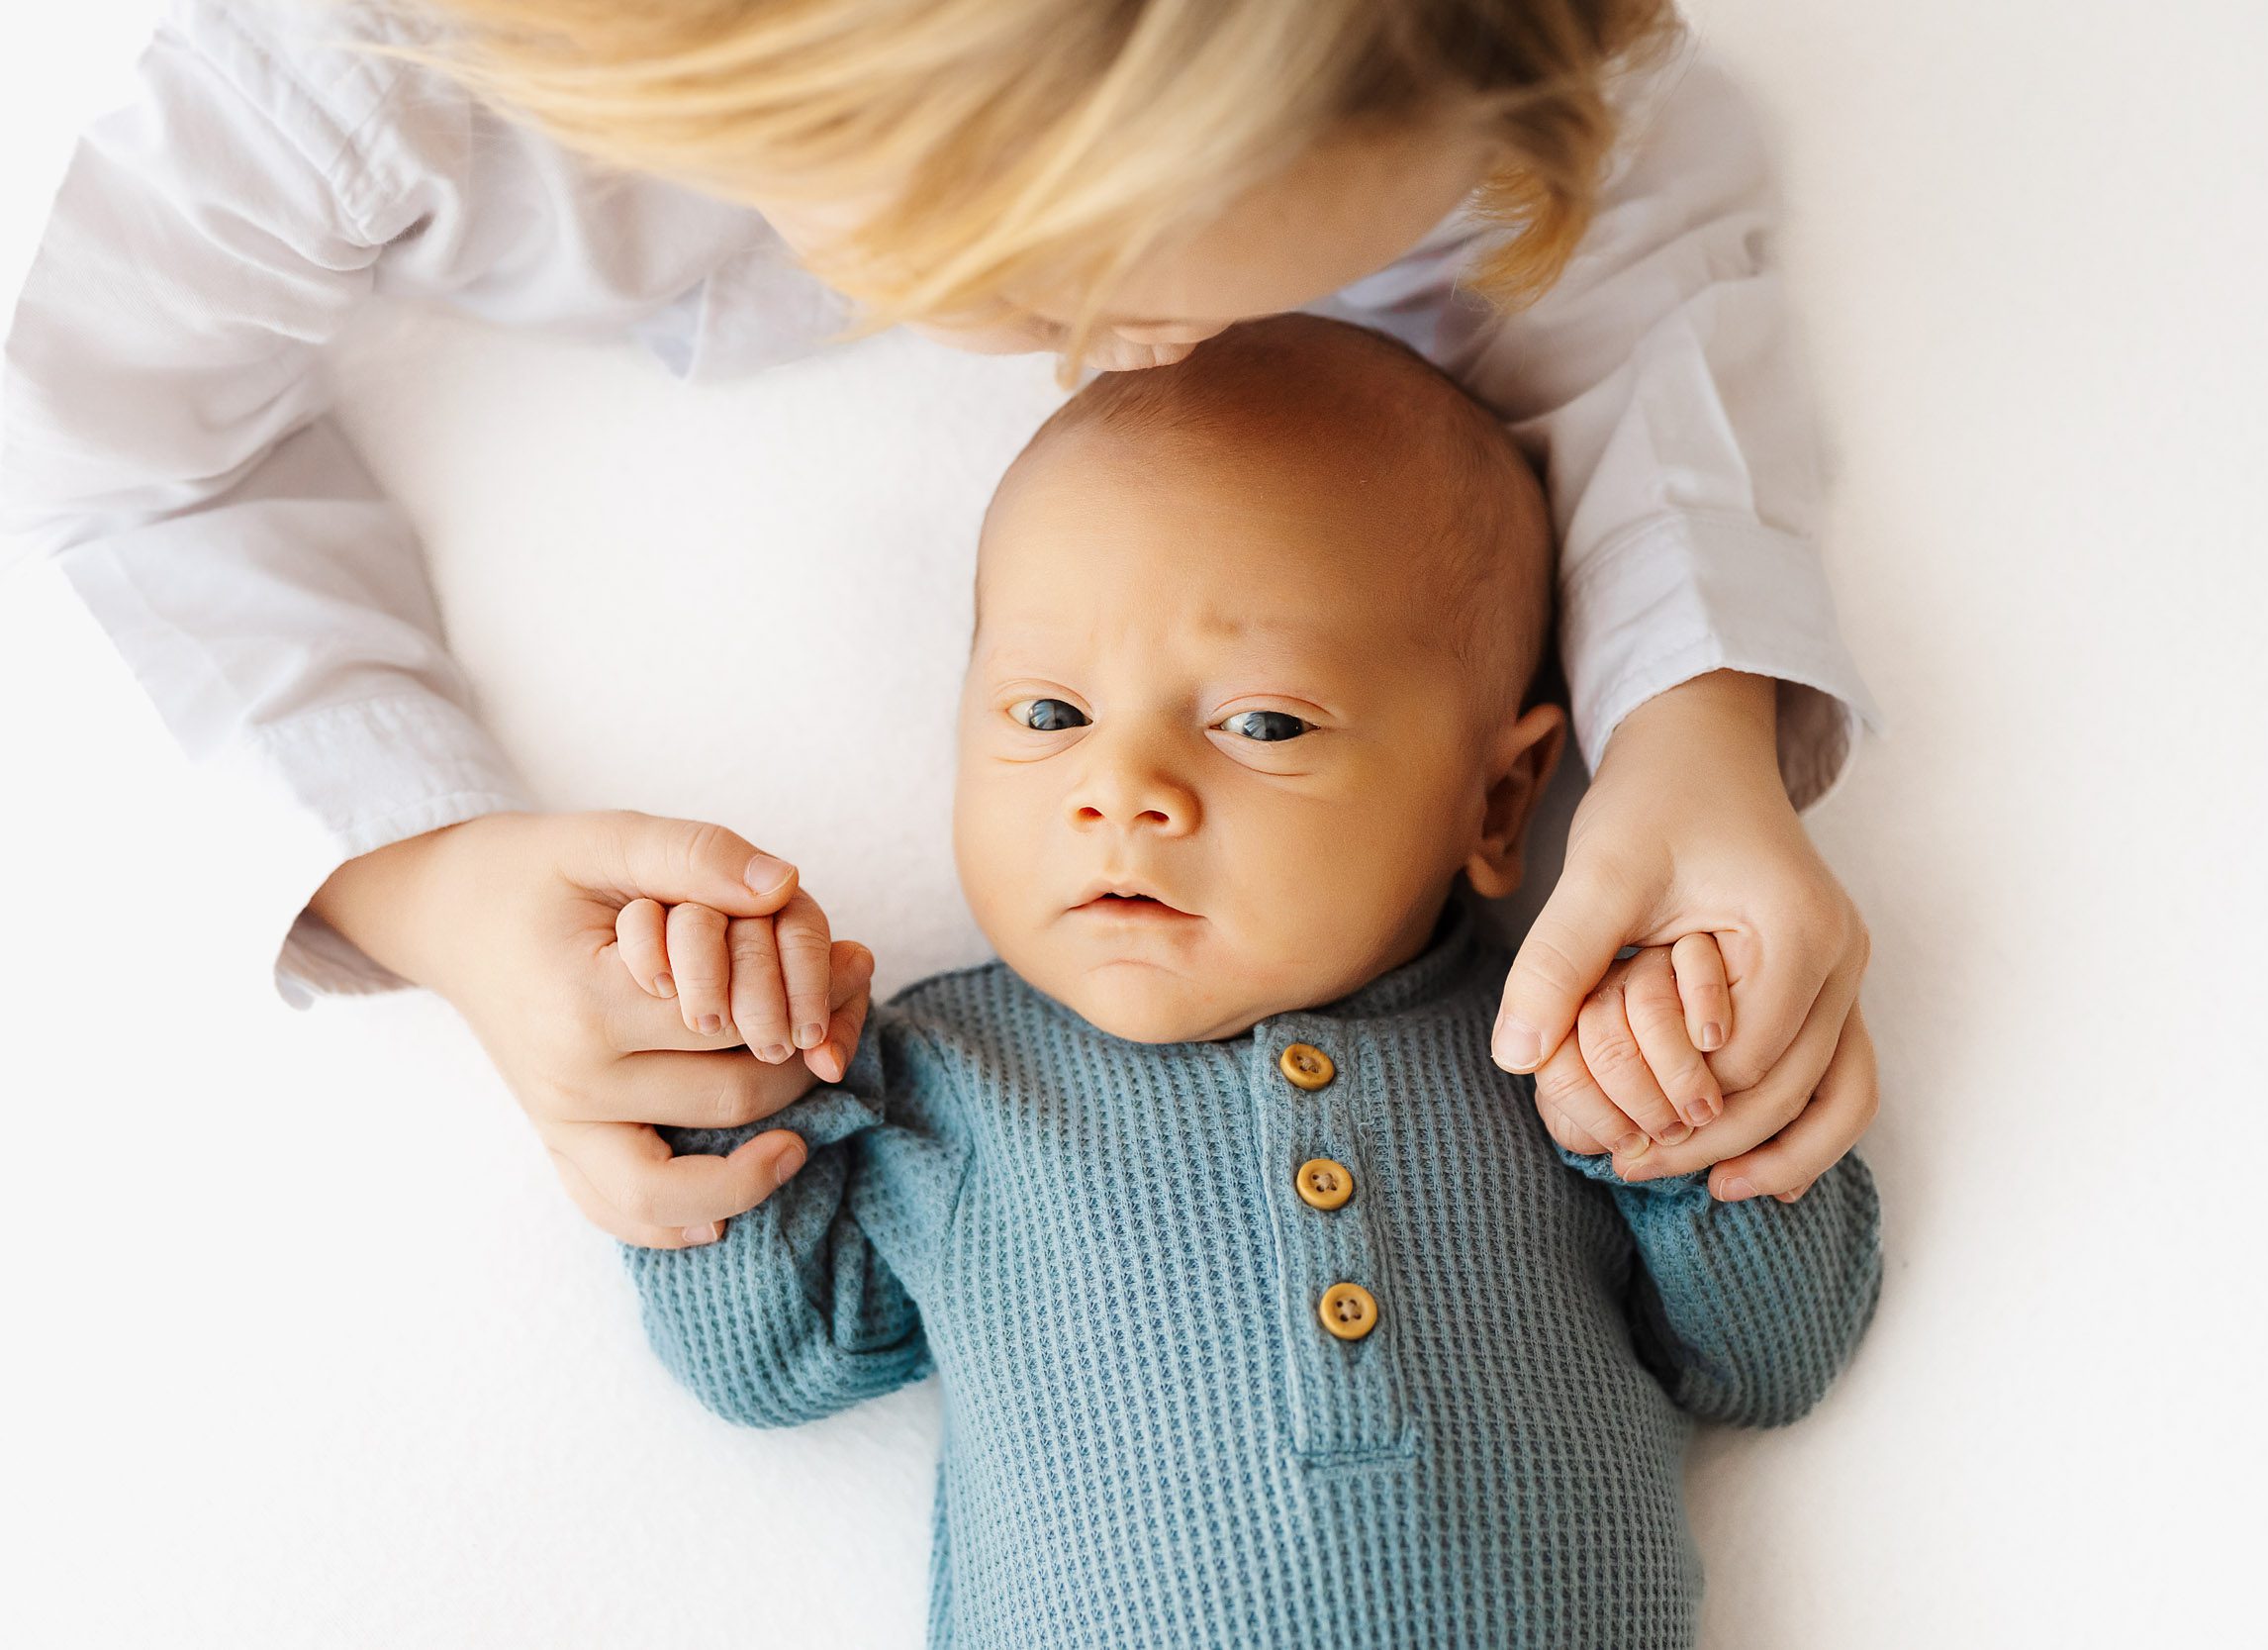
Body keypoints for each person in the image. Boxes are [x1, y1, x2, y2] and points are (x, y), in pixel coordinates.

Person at [0, 0, 1879, 1249]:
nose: (1155, 359)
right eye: (1066, 300)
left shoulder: (1437, 43)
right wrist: (421, 876)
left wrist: (1697, 725)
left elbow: (1619, 211)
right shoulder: (341, 72)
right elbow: (102, 454)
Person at [617, 315, 1882, 1647]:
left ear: (1501, 798)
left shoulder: (1558, 1046)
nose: (1122, 790)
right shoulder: (943, 1078)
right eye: (1049, 715)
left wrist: (1683, 1113)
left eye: (1262, 723)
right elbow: (768, 1360)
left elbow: (1776, 1358)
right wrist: (728, 1065)